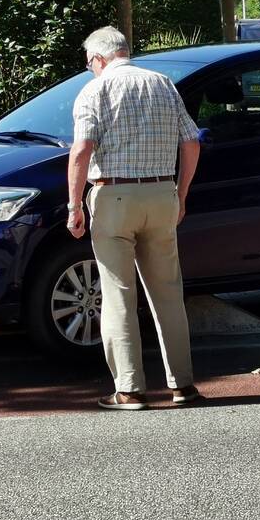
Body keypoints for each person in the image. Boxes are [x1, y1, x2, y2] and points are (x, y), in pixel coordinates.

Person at [67, 26, 202, 411]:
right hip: (162, 193)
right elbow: (191, 142)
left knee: (118, 295)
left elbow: (82, 150)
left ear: (98, 58)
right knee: (168, 293)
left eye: (88, 63)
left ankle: (129, 389)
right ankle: (183, 385)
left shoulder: (95, 90)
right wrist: (181, 192)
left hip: (114, 195)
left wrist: (74, 205)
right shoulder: (162, 83)